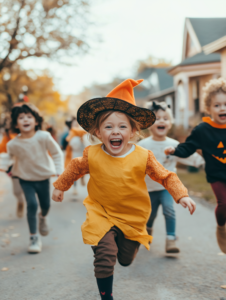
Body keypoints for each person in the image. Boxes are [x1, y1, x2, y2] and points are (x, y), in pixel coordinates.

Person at [52, 79, 196, 300]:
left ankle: (128, 244)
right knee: (105, 255)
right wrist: (61, 186)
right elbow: (74, 167)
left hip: (132, 216)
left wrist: (181, 194)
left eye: (122, 126)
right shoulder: (93, 154)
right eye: (108, 127)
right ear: (98, 132)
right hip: (101, 213)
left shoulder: (143, 156)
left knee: (125, 259)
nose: (115, 132)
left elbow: (165, 176)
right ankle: (106, 294)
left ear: (133, 131)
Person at [165, 77, 226, 254]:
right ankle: (221, 227)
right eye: (217, 105)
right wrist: (174, 150)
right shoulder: (202, 130)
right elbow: (188, 147)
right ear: (208, 108)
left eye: (225, 104)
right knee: (223, 204)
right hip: (216, 175)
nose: (222, 108)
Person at [138, 101, 204, 253]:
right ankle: (148, 229)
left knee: (169, 210)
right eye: (157, 118)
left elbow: (190, 156)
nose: (161, 121)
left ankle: (171, 239)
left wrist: (204, 162)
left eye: (165, 118)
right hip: (148, 188)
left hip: (167, 188)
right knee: (151, 214)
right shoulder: (143, 145)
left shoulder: (174, 145)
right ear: (149, 124)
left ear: (169, 123)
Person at [6, 103, 63, 254]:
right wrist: (4, 165)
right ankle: (34, 238)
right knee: (31, 204)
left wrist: (59, 172)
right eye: (21, 117)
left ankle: (43, 217)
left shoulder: (44, 136)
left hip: (43, 177)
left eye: (29, 117)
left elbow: (57, 153)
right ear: (16, 124)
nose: (25, 120)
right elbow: (7, 159)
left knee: (45, 205)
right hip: (25, 178)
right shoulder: (13, 144)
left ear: (36, 121)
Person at [0, 114, 25, 218]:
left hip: (28, 165)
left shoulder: (25, 133)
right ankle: (21, 202)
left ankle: (32, 205)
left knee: (28, 188)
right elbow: (2, 150)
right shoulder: (7, 137)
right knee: (17, 191)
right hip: (13, 167)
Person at [64, 117, 87, 194]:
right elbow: (65, 140)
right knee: (74, 172)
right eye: (73, 123)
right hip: (73, 154)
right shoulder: (69, 133)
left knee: (82, 169)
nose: (75, 125)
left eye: (76, 123)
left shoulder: (82, 132)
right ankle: (75, 188)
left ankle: (82, 177)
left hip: (81, 153)